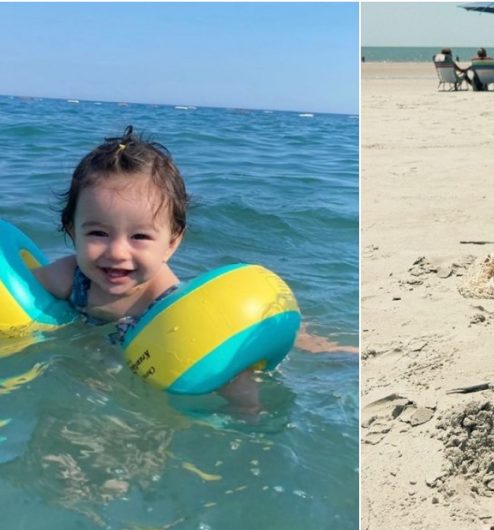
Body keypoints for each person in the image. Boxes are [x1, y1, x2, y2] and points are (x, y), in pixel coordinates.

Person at [32, 126, 355, 408]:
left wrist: (312, 347)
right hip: (96, 357)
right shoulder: (69, 277)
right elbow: (19, 292)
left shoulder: (167, 298)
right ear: (72, 231)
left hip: (166, 352)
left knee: (238, 382)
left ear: (172, 242)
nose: (117, 252)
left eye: (140, 236)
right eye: (98, 233)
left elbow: (220, 329)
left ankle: (254, 415)